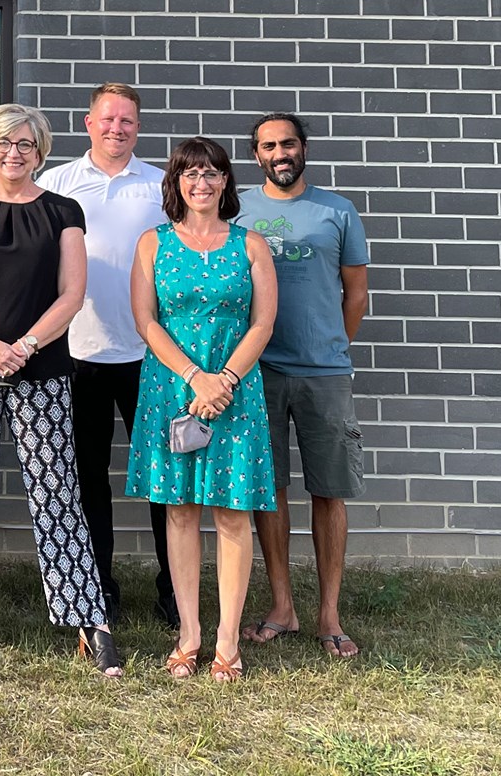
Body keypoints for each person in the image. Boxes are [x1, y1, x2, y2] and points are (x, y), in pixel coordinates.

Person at [0, 103, 121, 675]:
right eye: (2, 143)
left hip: (41, 369)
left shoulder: (64, 209)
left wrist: (25, 346)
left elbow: (72, 293)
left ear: (40, 151)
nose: (13, 154)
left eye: (25, 144)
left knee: (56, 491)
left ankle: (87, 617)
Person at [126, 139, 278, 681]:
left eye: (212, 173)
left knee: (234, 512)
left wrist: (225, 379)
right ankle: (188, 633)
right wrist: (196, 377)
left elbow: (262, 322)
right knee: (180, 510)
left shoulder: (252, 245)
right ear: (176, 182)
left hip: (236, 393)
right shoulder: (152, 244)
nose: (202, 182)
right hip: (173, 389)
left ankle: (227, 641)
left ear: (225, 183)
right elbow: (146, 321)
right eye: (190, 173)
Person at [35, 82, 176, 626]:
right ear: (88, 122)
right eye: (108, 119)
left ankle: (173, 587)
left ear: (138, 128)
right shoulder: (57, 184)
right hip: (77, 354)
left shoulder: (161, 186)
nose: (118, 129)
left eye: (128, 122)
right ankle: (101, 587)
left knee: (165, 477)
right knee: (88, 476)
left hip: (152, 355)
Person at [237, 113, 371, 661]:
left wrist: (330, 344)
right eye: (268, 146)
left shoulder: (337, 210)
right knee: (270, 491)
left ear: (304, 148)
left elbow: (356, 294)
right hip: (257, 371)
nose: (280, 153)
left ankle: (329, 614)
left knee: (329, 491)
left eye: (288, 143)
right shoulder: (238, 207)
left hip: (324, 372)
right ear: (257, 156)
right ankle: (282, 606)